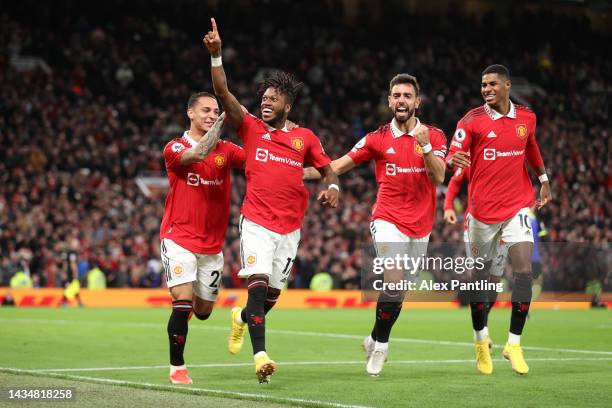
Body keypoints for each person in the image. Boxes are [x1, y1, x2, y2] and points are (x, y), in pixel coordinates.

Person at [203, 18, 340, 383]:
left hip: (290, 228)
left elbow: (328, 170)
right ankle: (260, 355)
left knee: (269, 300)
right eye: (263, 98)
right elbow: (224, 94)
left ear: (287, 107)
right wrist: (216, 56)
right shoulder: (250, 127)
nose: (265, 102)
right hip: (257, 223)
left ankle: (240, 318)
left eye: (273, 99)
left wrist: (333, 187)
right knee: (258, 285)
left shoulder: (305, 139)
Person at [304, 73, 447, 376]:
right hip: (387, 218)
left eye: (407, 96)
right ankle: (381, 347)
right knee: (393, 279)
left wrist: (426, 149)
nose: (401, 101)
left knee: (397, 294)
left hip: (421, 226)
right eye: (396, 95)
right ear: (389, 101)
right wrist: (294, 171)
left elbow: (439, 176)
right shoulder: (377, 138)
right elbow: (339, 165)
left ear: (417, 102)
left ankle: (372, 337)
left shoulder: (434, 136)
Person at [446, 64, 552, 375]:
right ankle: (481, 340)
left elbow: (531, 146)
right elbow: (452, 154)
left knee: (523, 272)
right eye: (483, 85)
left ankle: (514, 344)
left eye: (493, 84)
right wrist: (454, 158)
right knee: (485, 284)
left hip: (517, 206)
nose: (487, 89)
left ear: (507, 85)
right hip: (481, 215)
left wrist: (543, 178)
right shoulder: (471, 121)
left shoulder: (527, 117)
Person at [160, 91, 245, 385]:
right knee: (182, 303)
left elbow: (259, 165)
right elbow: (197, 154)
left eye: (216, 111)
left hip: (211, 246)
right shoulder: (174, 148)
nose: (211, 115)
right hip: (178, 238)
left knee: (204, 311)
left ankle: (188, 318)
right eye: (206, 111)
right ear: (190, 114)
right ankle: (177, 367)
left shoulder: (228, 150)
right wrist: (224, 120)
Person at [444, 165, 508, 350]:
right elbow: (455, 180)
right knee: (480, 277)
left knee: (495, 280)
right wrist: (448, 206)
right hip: (476, 226)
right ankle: (481, 332)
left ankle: (482, 323)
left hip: (503, 225)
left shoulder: (506, 155)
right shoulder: (470, 159)